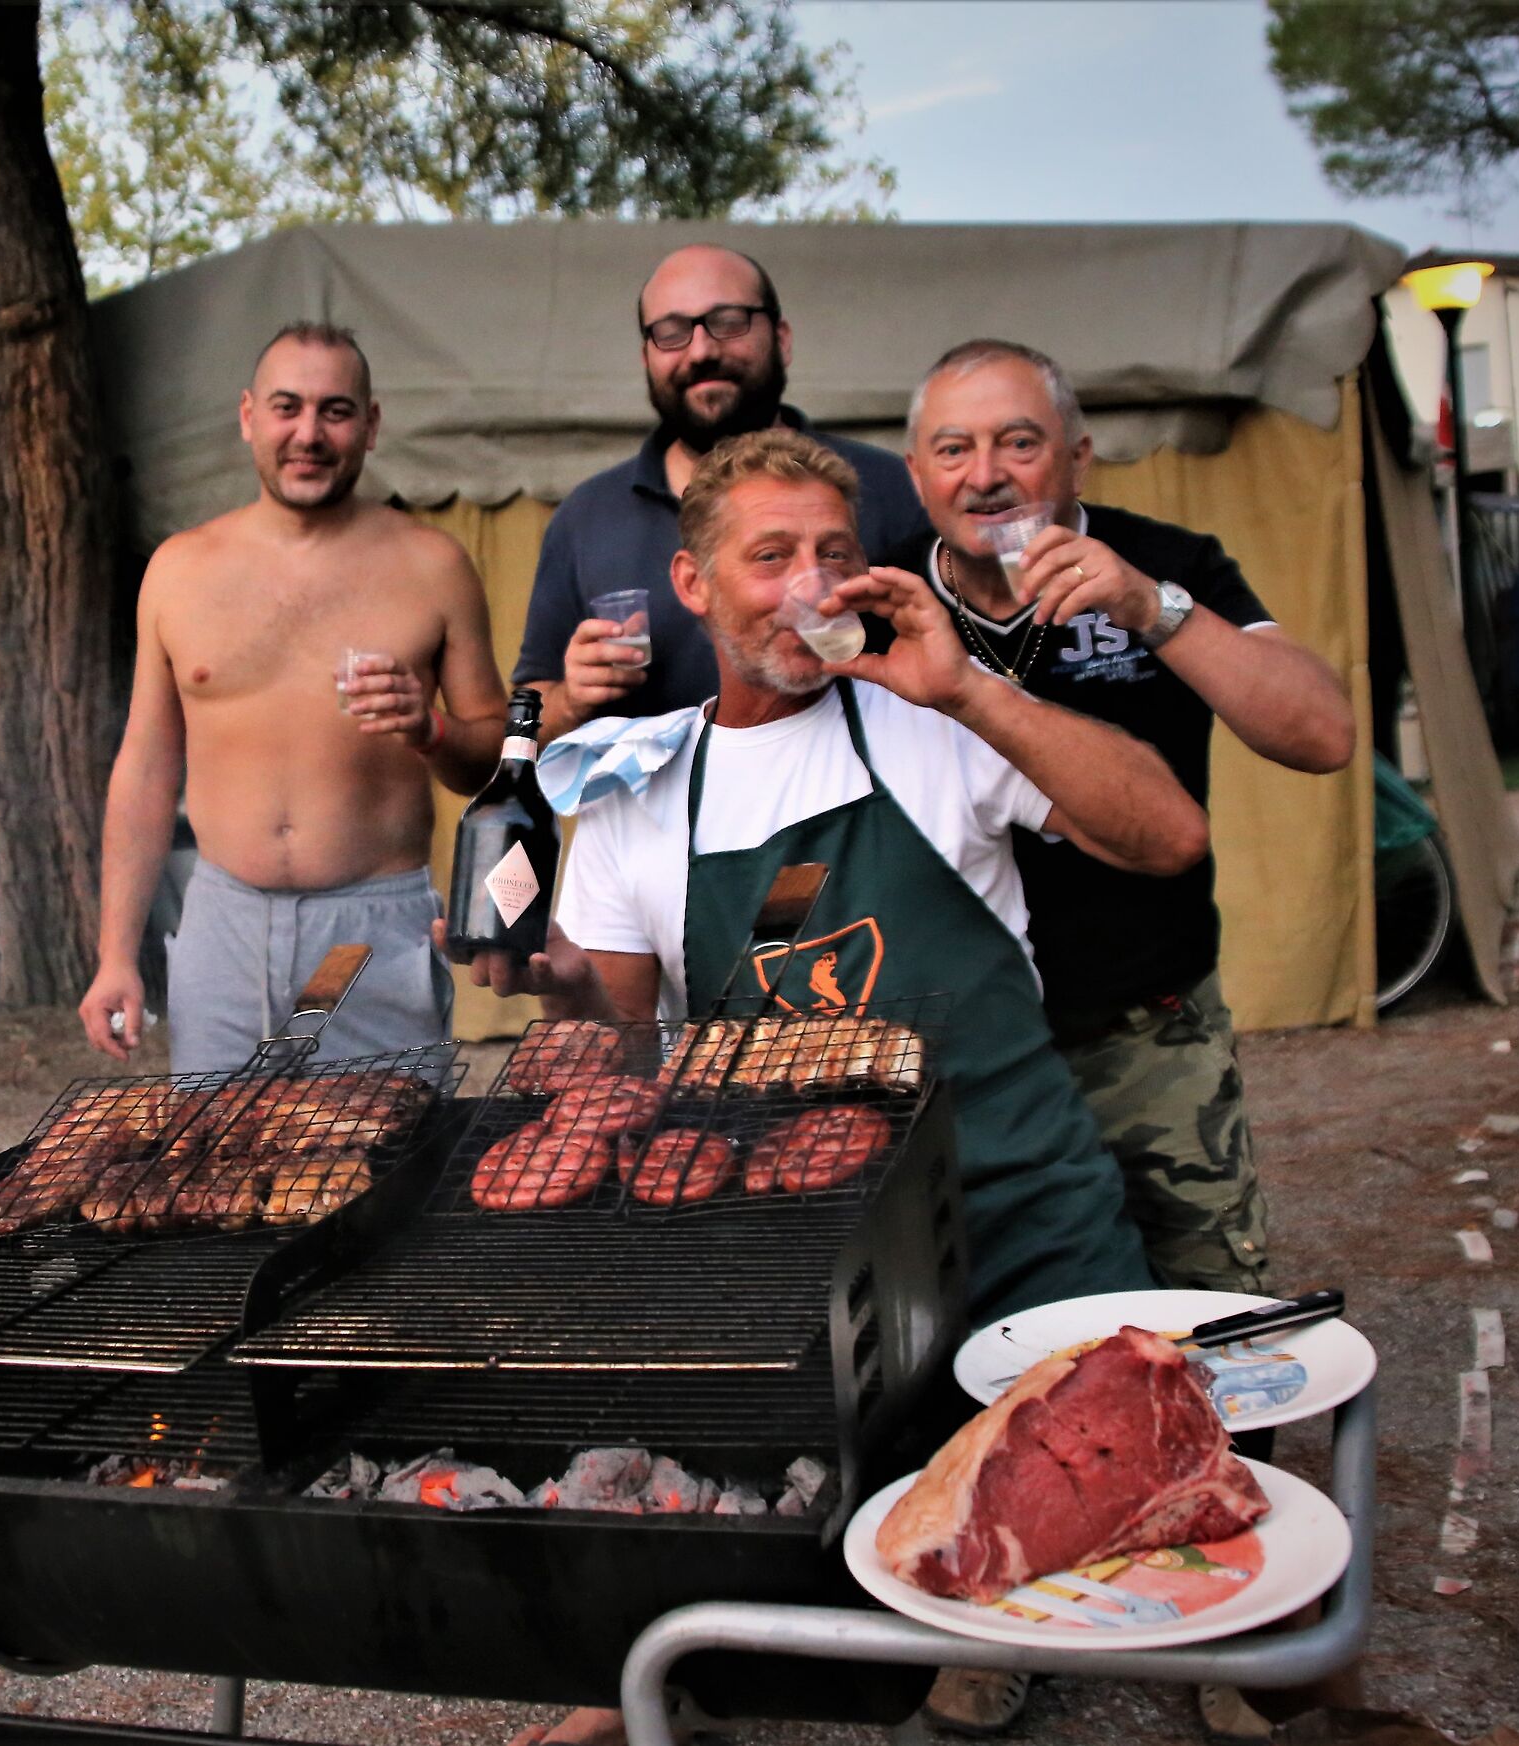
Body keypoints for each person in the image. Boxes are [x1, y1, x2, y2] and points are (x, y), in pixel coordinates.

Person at [468, 426, 1204, 1746]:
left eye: (836, 553)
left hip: (1021, 1214)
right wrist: (559, 984)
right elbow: (616, 1060)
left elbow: (1165, 834)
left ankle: (986, 1617)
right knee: (744, 1483)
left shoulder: (932, 715)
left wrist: (972, 690)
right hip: (806, 1246)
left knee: (1130, 1505)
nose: (811, 584)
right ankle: (668, 1662)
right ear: (695, 586)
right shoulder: (640, 790)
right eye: (772, 557)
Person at [895, 339, 1355, 1299]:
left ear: (1076, 456)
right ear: (916, 474)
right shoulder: (883, 600)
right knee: (988, 1316)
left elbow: (1322, 734)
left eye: (1019, 443)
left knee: (1204, 1309)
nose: (985, 476)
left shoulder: (1164, 565)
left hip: (1143, 1026)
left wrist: (1154, 608)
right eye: (953, 450)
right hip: (962, 1056)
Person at [80, 322, 509, 1072]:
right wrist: (116, 953)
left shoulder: (433, 565)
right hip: (222, 923)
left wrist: (431, 728)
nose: (308, 433)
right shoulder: (179, 570)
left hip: (373, 929)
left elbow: (493, 766)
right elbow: (145, 771)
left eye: (336, 411)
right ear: (249, 416)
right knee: (214, 1170)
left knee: (389, 1164)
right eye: (287, 408)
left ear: (370, 426)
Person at [511, 243, 929, 744]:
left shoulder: (893, 489)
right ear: (645, 357)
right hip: (653, 817)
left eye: (729, 321)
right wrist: (570, 700)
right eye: (671, 333)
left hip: (861, 809)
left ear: (782, 339)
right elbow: (520, 734)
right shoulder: (586, 517)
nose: (702, 350)